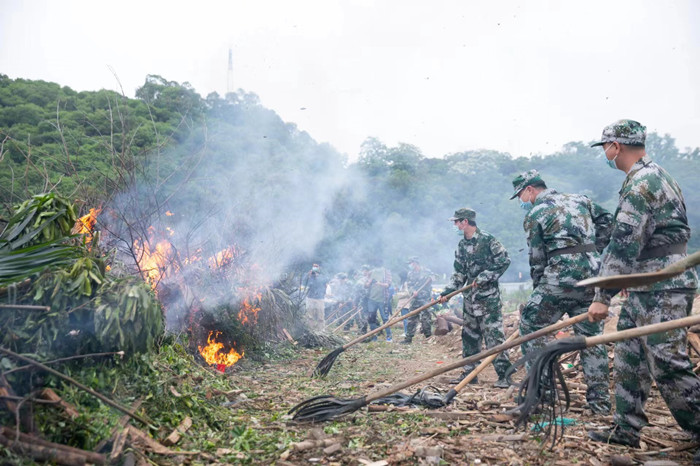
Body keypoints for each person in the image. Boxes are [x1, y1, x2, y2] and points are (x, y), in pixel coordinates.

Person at [584, 120, 700, 461]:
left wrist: (601, 297)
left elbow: (623, 245)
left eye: (605, 147)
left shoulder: (642, 184)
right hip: (645, 283)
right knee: (628, 355)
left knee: (667, 362)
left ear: (616, 146)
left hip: (663, 287)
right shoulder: (651, 176)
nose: (605, 154)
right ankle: (626, 428)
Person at [510, 169, 612, 413]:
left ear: (530, 190)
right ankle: (600, 404)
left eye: (521, 196)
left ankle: (541, 396)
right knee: (591, 338)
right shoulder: (581, 200)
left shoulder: (535, 214)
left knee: (532, 326)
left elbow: (537, 258)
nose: (522, 202)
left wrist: (539, 289)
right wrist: (594, 248)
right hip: (591, 276)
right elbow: (608, 221)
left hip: (560, 277)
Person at [438, 208, 513, 387]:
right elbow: (459, 273)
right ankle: (469, 375)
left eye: (457, 222)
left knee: (494, 336)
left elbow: (504, 260)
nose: (455, 225)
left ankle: (505, 376)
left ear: (465, 222)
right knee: (469, 336)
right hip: (470, 299)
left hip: (488, 299)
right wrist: (447, 292)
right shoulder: (462, 246)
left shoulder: (488, 240)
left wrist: (485, 277)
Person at [401, 257, 433, 344]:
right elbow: (410, 285)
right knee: (411, 318)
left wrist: (431, 279)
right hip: (415, 299)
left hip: (425, 299)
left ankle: (428, 337)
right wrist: (413, 291)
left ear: (415, 263)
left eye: (411, 263)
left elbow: (434, 277)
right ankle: (408, 339)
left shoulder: (426, 271)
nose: (410, 265)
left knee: (426, 318)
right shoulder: (410, 273)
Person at [364, 264, 393, 342]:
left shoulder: (386, 272)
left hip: (382, 300)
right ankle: (374, 337)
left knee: (385, 318)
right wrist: (369, 282)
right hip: (371, 299)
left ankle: (389, 337)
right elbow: (365, 285)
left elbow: (388, 285)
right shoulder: (371, 273)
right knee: (371, 318)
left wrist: (378, 283)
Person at [303, 263, 328, 331]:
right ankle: (311, 330)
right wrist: (309, 274)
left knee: (320, 316)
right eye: (314, 267)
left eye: (316, 267)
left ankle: (321, 330)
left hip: (320, 298)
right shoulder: (309, 276)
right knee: (310, 316)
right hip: (310, 297)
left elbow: (326, 282)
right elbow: (304, 281)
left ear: (319, 268)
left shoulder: (322, 276)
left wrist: (318, 275)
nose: (315, 268)